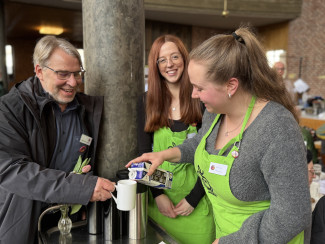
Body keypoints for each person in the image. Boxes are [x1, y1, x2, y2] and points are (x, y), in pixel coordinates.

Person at [127, 27, 311, 243]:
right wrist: (164, 155)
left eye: (199, 88)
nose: (193, 94)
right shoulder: (216, 115)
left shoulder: (277, 128)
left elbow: (291, 216)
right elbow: (199, 145)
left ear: (231, 86)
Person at [0, 36, 115, 244]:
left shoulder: (86, 109)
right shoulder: (8, 109)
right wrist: (81, 188)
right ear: (39, 71)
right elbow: (12, 171)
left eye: (77, 74)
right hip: (21, 222)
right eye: (63, 74)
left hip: (65, 222)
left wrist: (82, 198)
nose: (73, 82)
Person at [137, 34, 215, 243]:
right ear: (155, 66)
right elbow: (144, 154)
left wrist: (194, 198)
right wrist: (158, 196)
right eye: (162, 60)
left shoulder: (201, 99)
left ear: (185, 60)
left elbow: (211, 153)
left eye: (174, 57)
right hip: (160, 207)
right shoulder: (146, 101)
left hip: (197, 204)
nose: (169, 64)